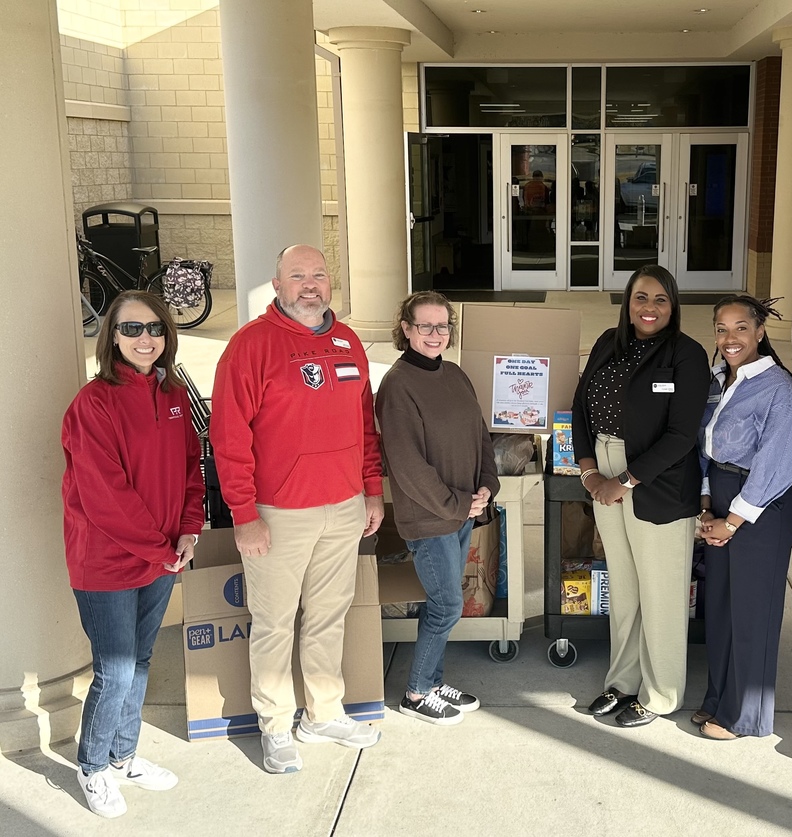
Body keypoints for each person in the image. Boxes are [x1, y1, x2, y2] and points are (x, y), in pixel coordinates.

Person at [211, 244, 385, 775]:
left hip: (344, 506)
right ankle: (274, 727)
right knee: (274, 624)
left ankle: (323, 714)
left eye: (318, 275)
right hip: (278, 514)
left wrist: (371, 489)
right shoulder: (250, 346)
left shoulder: (346, 339)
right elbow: (229, 437)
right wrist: (244, 514)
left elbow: (364, 424)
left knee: (329, 618)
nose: (310, 285)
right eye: (297, 276)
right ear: (278, 284)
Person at [61, 290, 204, 818]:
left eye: (154, 328)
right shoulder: (93, 403)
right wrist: (160, 548)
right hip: (107, 561)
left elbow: (193, 465)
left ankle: (124, 756)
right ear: (112, 338)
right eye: (131, 329)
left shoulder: (173, 393)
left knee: (142, 661)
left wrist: (188, 531)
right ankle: (93, 767)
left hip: (163, 555)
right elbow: (106, 495)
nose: (145, 338)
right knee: (116, 670)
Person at [572, 265, 710, 727]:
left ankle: (660, 694)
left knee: (662, 593)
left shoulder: (687, 356)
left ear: (673, 306)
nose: (649, 308)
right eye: (640, 298)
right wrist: (590, 472)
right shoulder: (607, 346)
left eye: (660, 300)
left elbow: (681, 435)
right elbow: (580, 409)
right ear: (627, 302)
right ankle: (622, 682)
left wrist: (623, 481)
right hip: (605, 470)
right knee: (625, 589)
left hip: (657, 481)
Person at [374, 291, 501, 725]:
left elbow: (479, 434)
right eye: (424, 326)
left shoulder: (456, 374)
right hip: (431, 518)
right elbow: (407, 465)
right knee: (447, 604)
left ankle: (431, 679)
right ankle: (416, 693)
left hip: (463, 508)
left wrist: (486, 484)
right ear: (405, 329)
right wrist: (458, 503)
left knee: (441, 602)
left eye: (442, 325)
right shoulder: (398, 386)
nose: (434, 334)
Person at [693, 295, 792, 741]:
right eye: (722, 329)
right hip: (719, 496)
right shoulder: (718, 381)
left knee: (752, 611)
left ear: (760, 332)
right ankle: (718, 697)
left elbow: (776, 463)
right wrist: (705, 502)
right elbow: (707, 447)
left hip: (762, 506)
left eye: (741, 328)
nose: (730, 338)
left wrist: (733, 521)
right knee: (720, 606)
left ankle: (744, 716)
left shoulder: (777, 387)